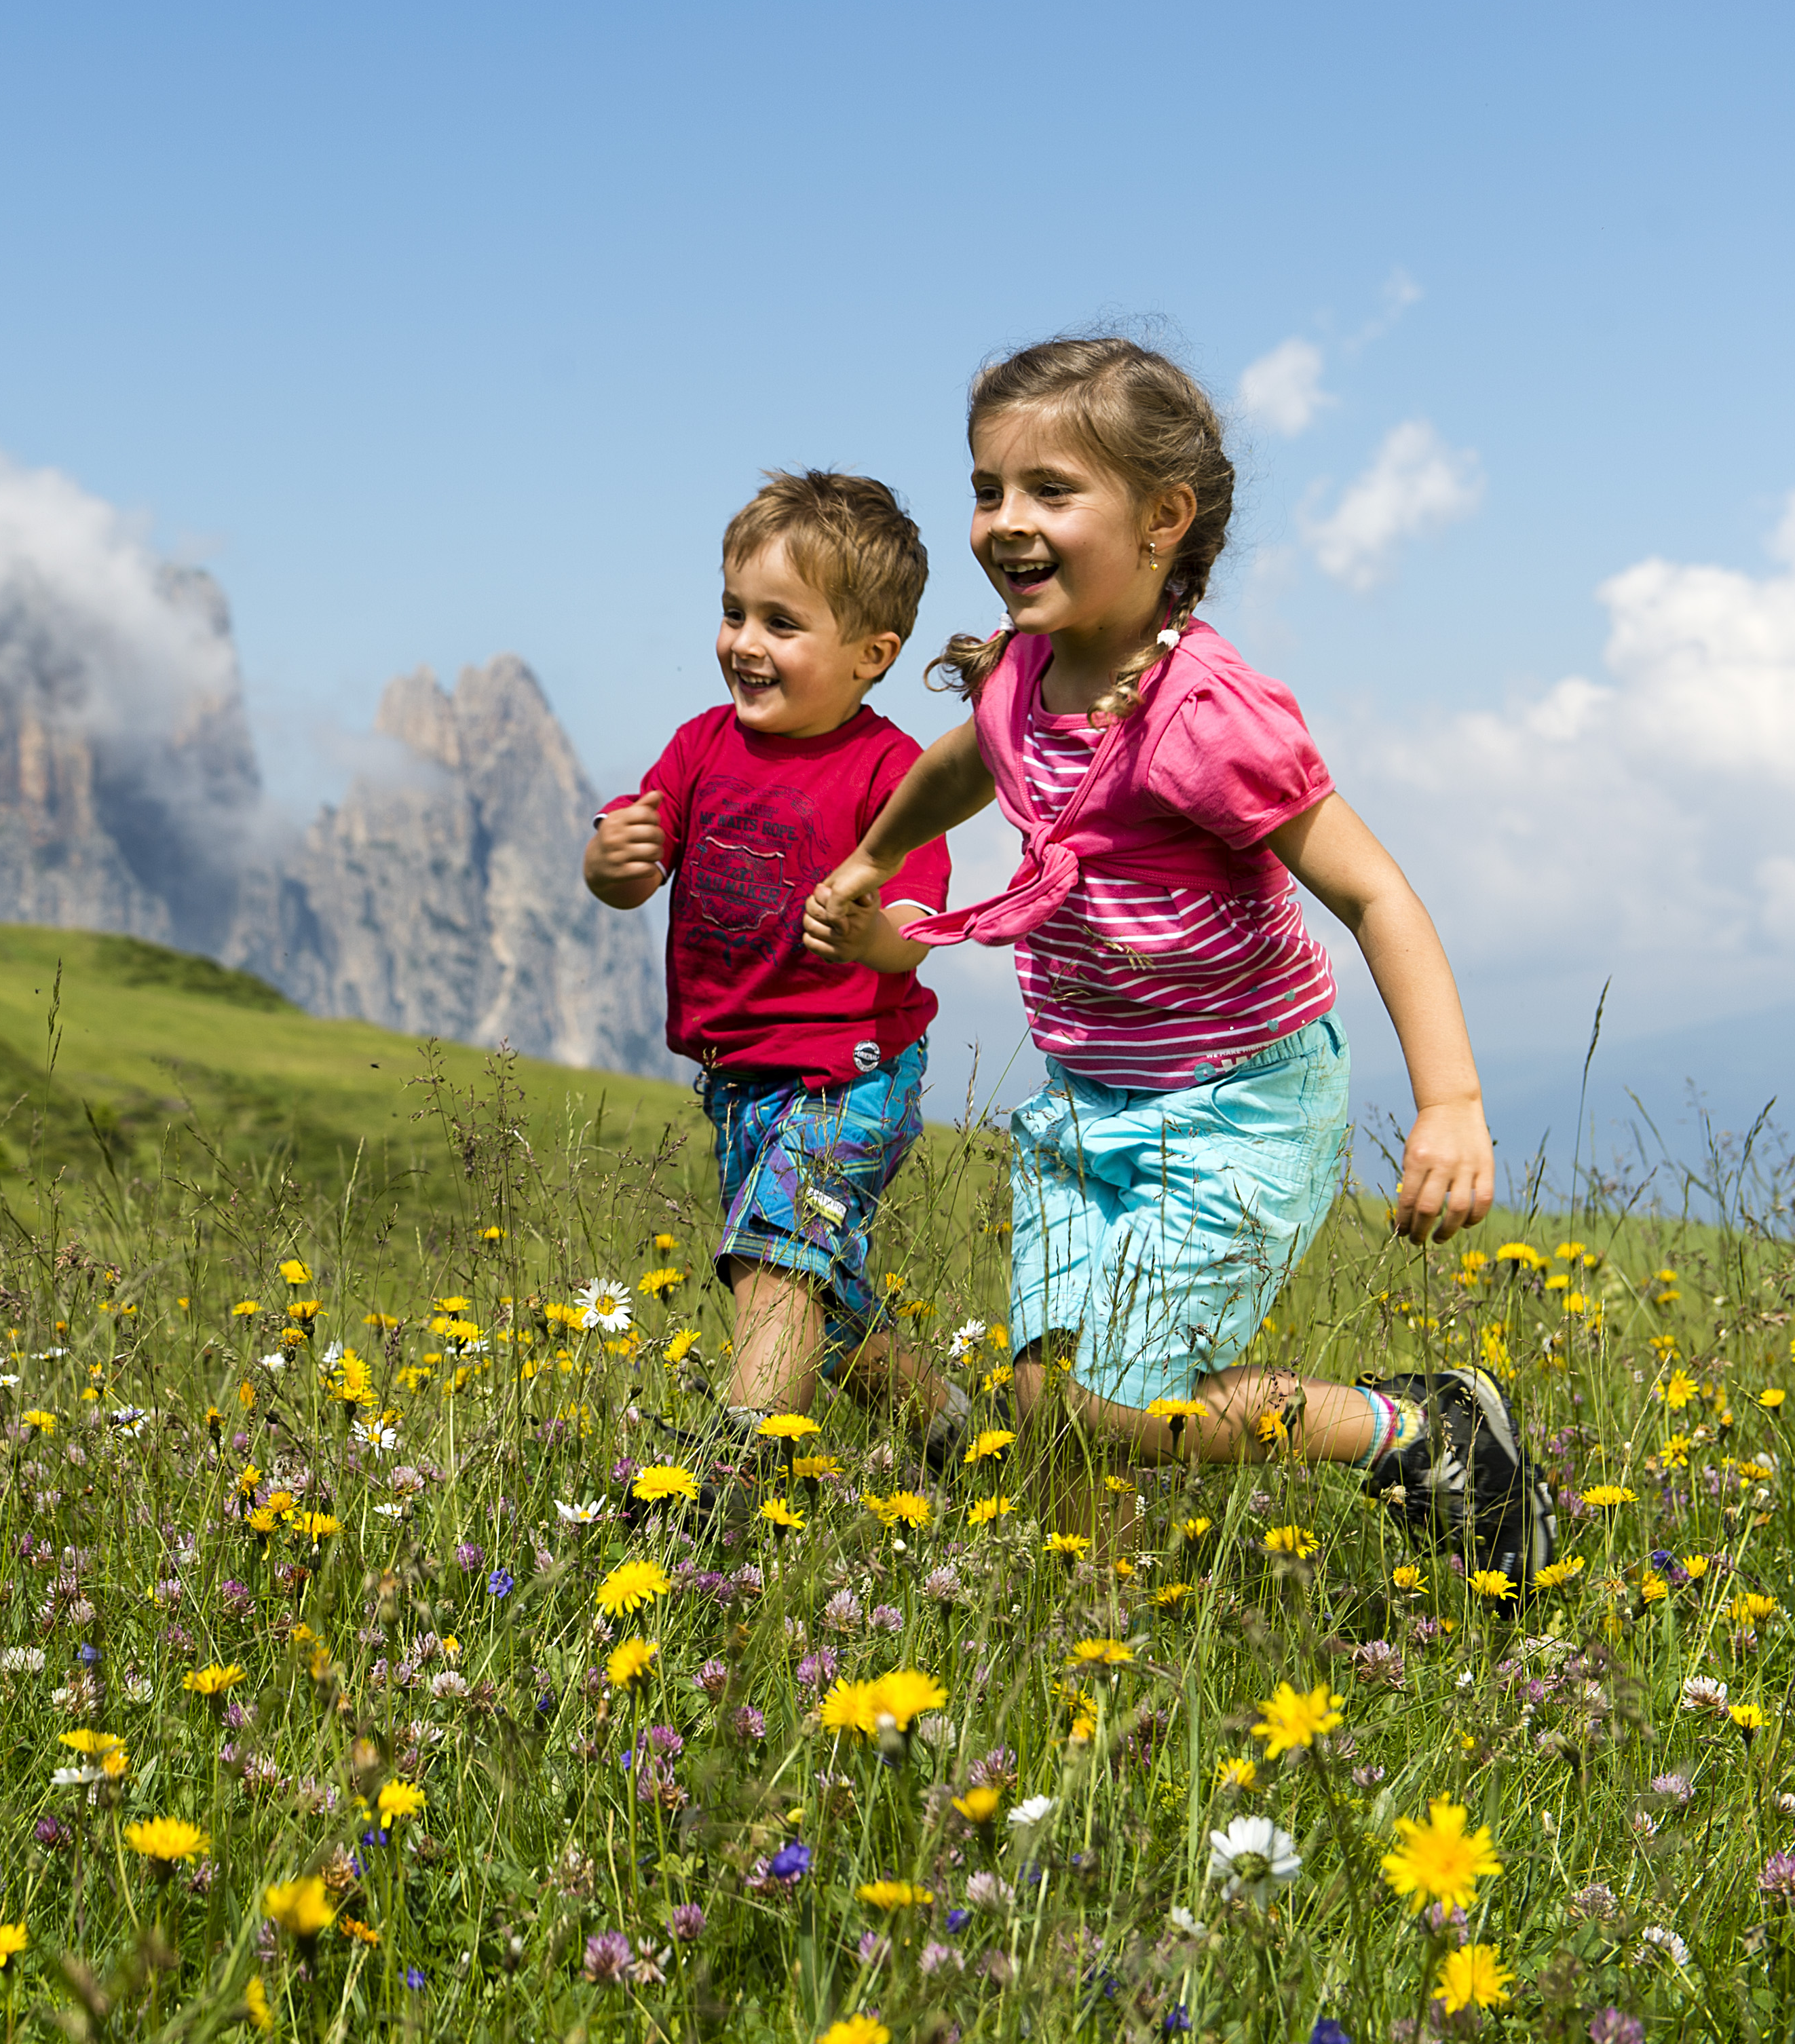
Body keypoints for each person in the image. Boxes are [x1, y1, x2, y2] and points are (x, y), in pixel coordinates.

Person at [804, 336, 1553, 1597]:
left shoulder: (1204, 718)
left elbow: (1374, 893)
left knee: (1097, 1404)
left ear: (1164, 520)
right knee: (1053, 1406)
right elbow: (964, 760)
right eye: (989, 488)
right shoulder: (1026, 672)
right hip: (1095, 1098)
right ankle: (1101, 1645)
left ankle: (1417, 1432)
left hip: (1236, 1099)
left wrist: (1452, 1103)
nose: (1005, 522)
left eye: (1051, 490)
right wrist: (873, 855)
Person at [584, 469, 972, 1479]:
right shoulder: (700, 746)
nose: (745, 643)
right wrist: (609, 863)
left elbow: (916, 929)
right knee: (812, 1291)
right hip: (740, 1078)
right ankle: (951, 1427)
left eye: (782, 624)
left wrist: (869, 934)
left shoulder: (893, 773)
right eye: (733, 613)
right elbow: (635, 858)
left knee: (773, 1262)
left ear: (870, 657)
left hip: (846, 1076)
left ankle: (734, 1481)